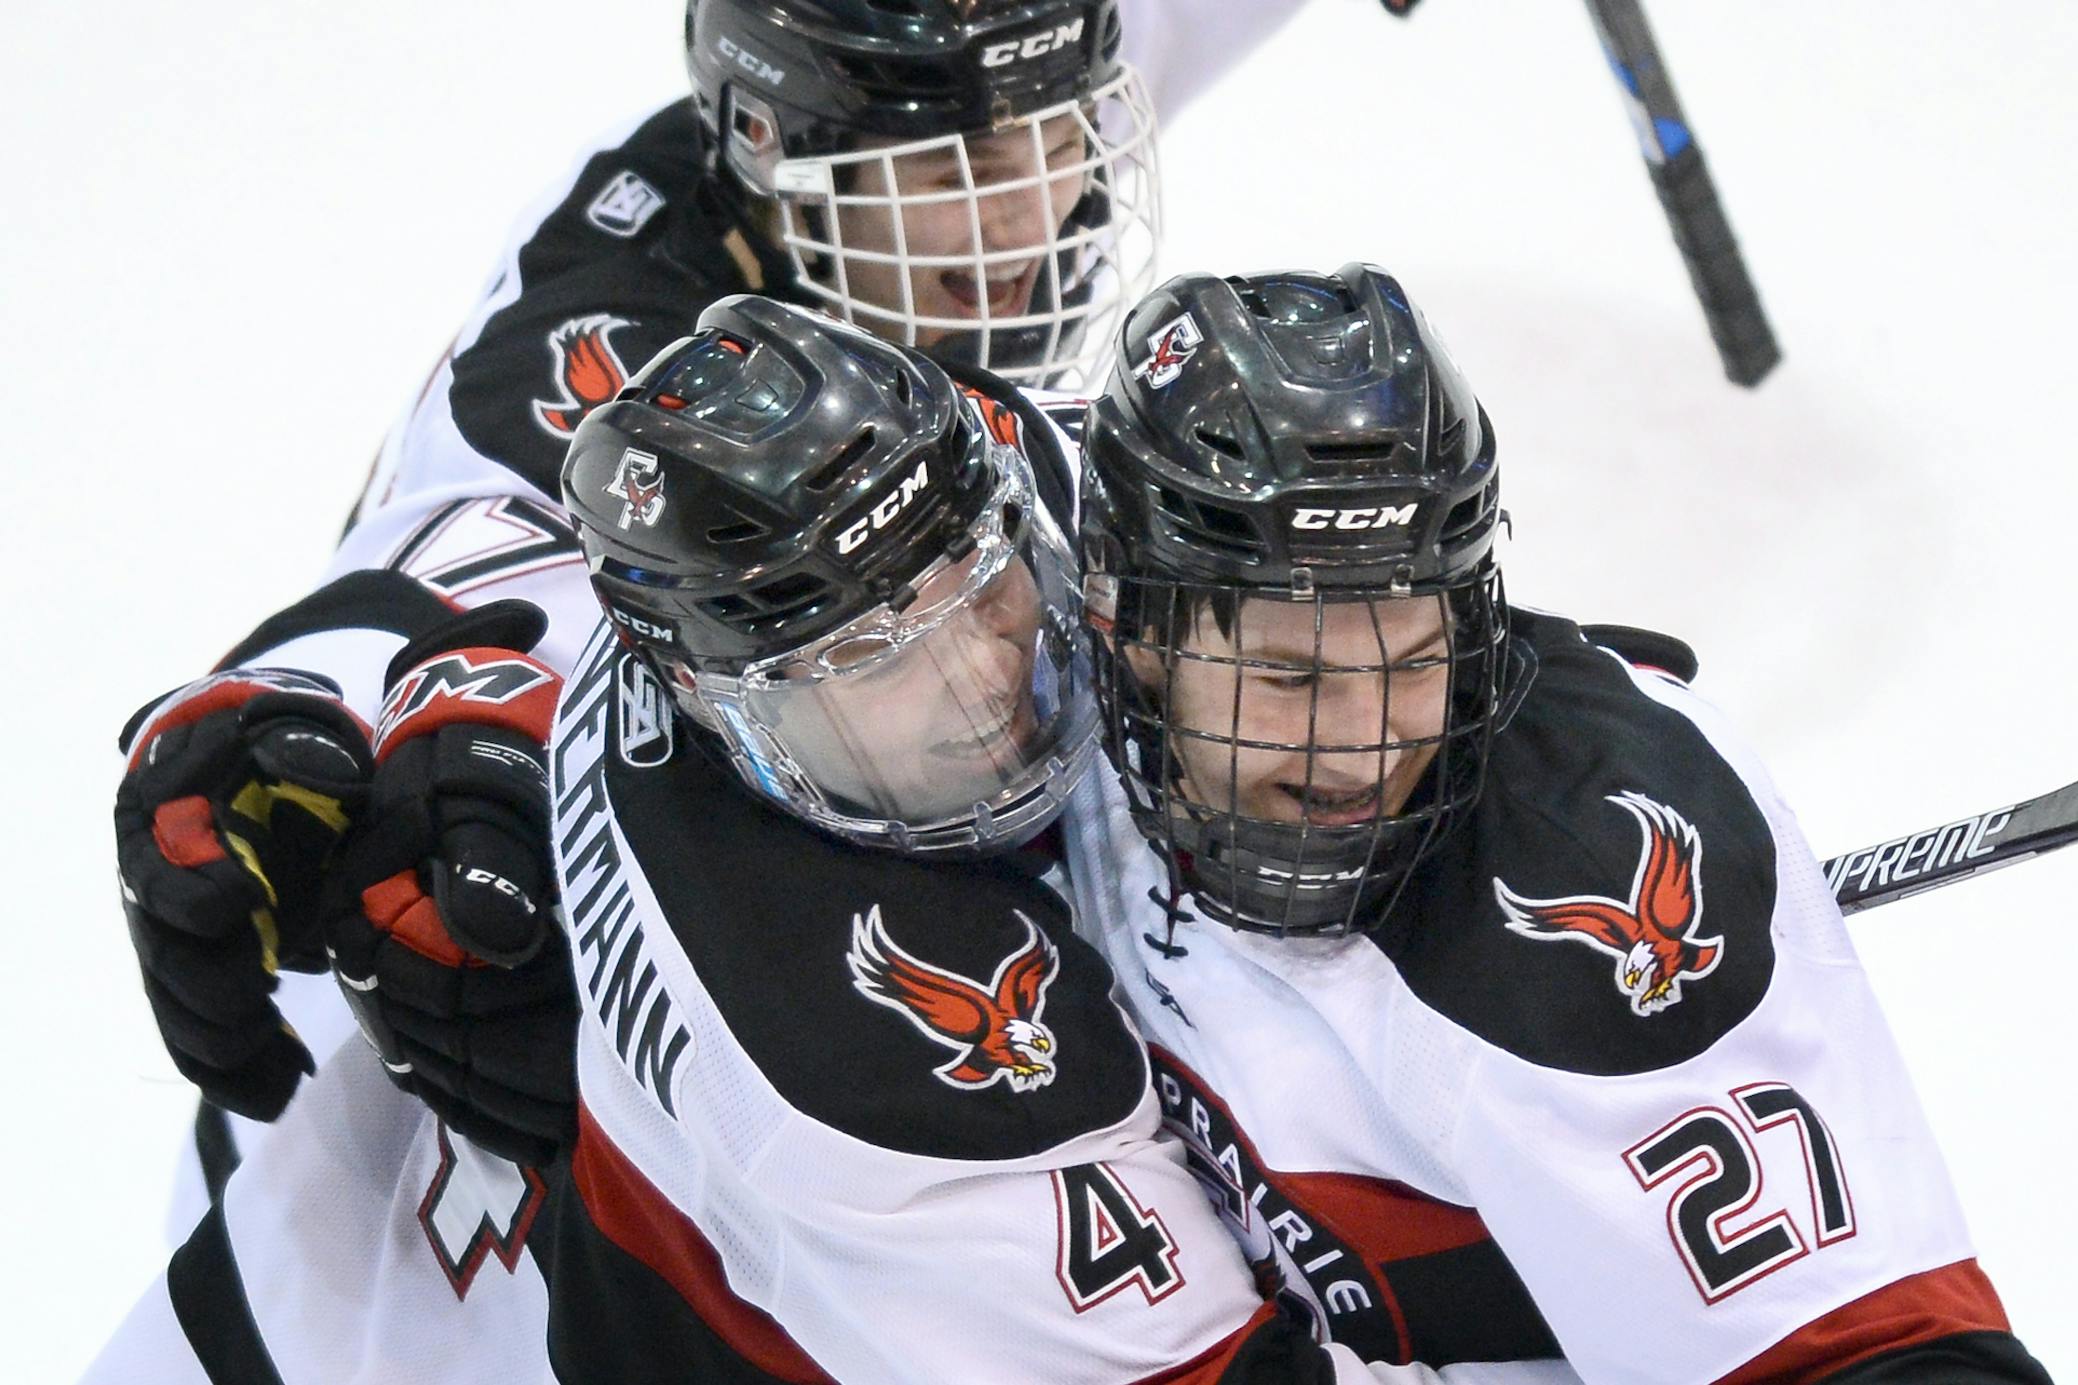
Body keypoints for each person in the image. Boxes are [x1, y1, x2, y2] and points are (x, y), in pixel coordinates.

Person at [92, 297, 1570, 1384]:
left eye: (984, 599)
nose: (984, 688)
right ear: (733, 717)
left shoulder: (1010, 496)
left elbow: (509, 577)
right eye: (873, 670)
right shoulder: (835, 1052)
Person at [112, 0, 1334, 1223]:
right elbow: (469, 572)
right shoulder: (614, 357)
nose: (1032, 213)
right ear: (770, 142)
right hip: (398, 1169)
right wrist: (291, 703)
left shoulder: (902, 150)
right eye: (960, 162)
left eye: (1058, 132)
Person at [1058, 264, 2055, 1381]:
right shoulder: (1016, 668)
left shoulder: (1578, 897)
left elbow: (1884, 1355)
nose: (1357, 745)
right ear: (1124, 625)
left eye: (1419, 662)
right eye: (1287, 678)